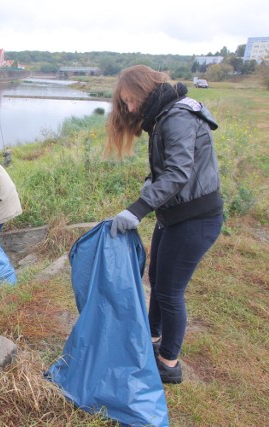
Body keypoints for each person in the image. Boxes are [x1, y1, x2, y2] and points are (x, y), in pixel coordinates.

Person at [106, 65, 224, 384]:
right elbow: (166, 170)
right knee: (156, 279)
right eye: (126, 103)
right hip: (173, 216)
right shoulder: (162, 117)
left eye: (131, 100)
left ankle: (169, 363)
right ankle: (153, 338)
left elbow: (179, 172)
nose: (129, 108)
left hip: (196, 219)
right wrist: (149, 185)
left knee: (170, 292)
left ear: (145, 90)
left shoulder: (177, 117)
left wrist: (138, 208)